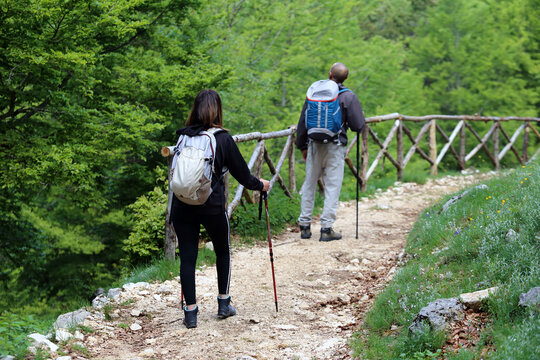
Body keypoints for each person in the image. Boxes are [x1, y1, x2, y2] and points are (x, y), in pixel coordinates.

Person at [170, 89, 270, 329]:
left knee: (187, 257)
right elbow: (244, 177)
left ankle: (191, 313)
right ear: (217, 110)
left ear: (194, 109)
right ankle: (224, 304)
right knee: (222, 251)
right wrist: (261, 185)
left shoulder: (183, 137)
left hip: (182, 205)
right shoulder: (223, 138)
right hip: (211, 206)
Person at [296, 63, 365, 241]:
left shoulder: (314, 93)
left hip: (314, 145)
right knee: (332, 186)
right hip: (335, 147)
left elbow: (303, 120)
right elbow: (358, 126)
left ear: (329, 74)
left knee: (310, 183)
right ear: (346, 78)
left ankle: (304, 226)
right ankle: (326, 229)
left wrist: (302, 146)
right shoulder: (348, 96)